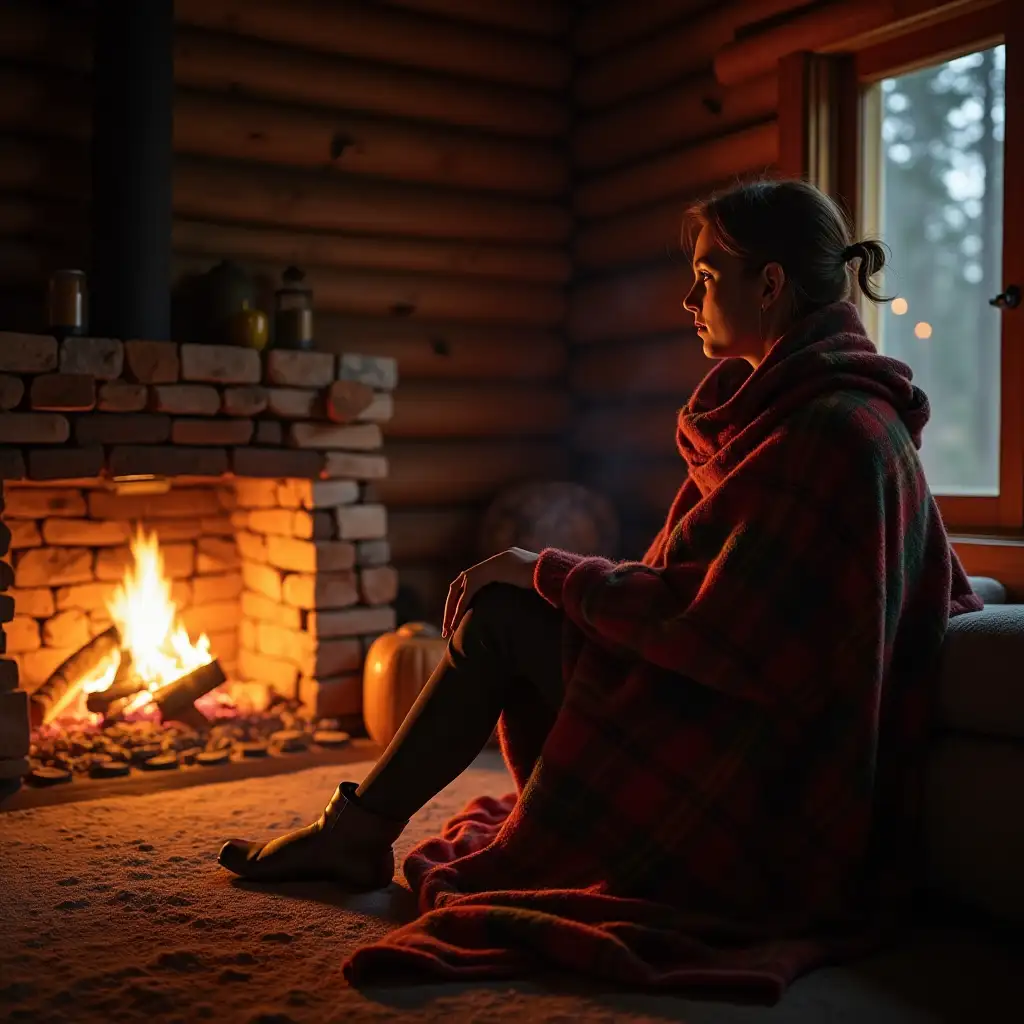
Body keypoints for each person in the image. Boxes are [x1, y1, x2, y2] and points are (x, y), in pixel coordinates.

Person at [218, 178, 981, 996]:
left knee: (504, 612)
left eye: (707, 276)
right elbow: (711, 596)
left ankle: (352, 833)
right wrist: (562, 581)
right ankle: (356, 829)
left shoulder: (827, 431)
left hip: (749, 769)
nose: (688, 298)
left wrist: (541, 569)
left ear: (770, 284)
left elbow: (714, 625)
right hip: (721, 708)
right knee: (520, 607)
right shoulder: (805, 414)